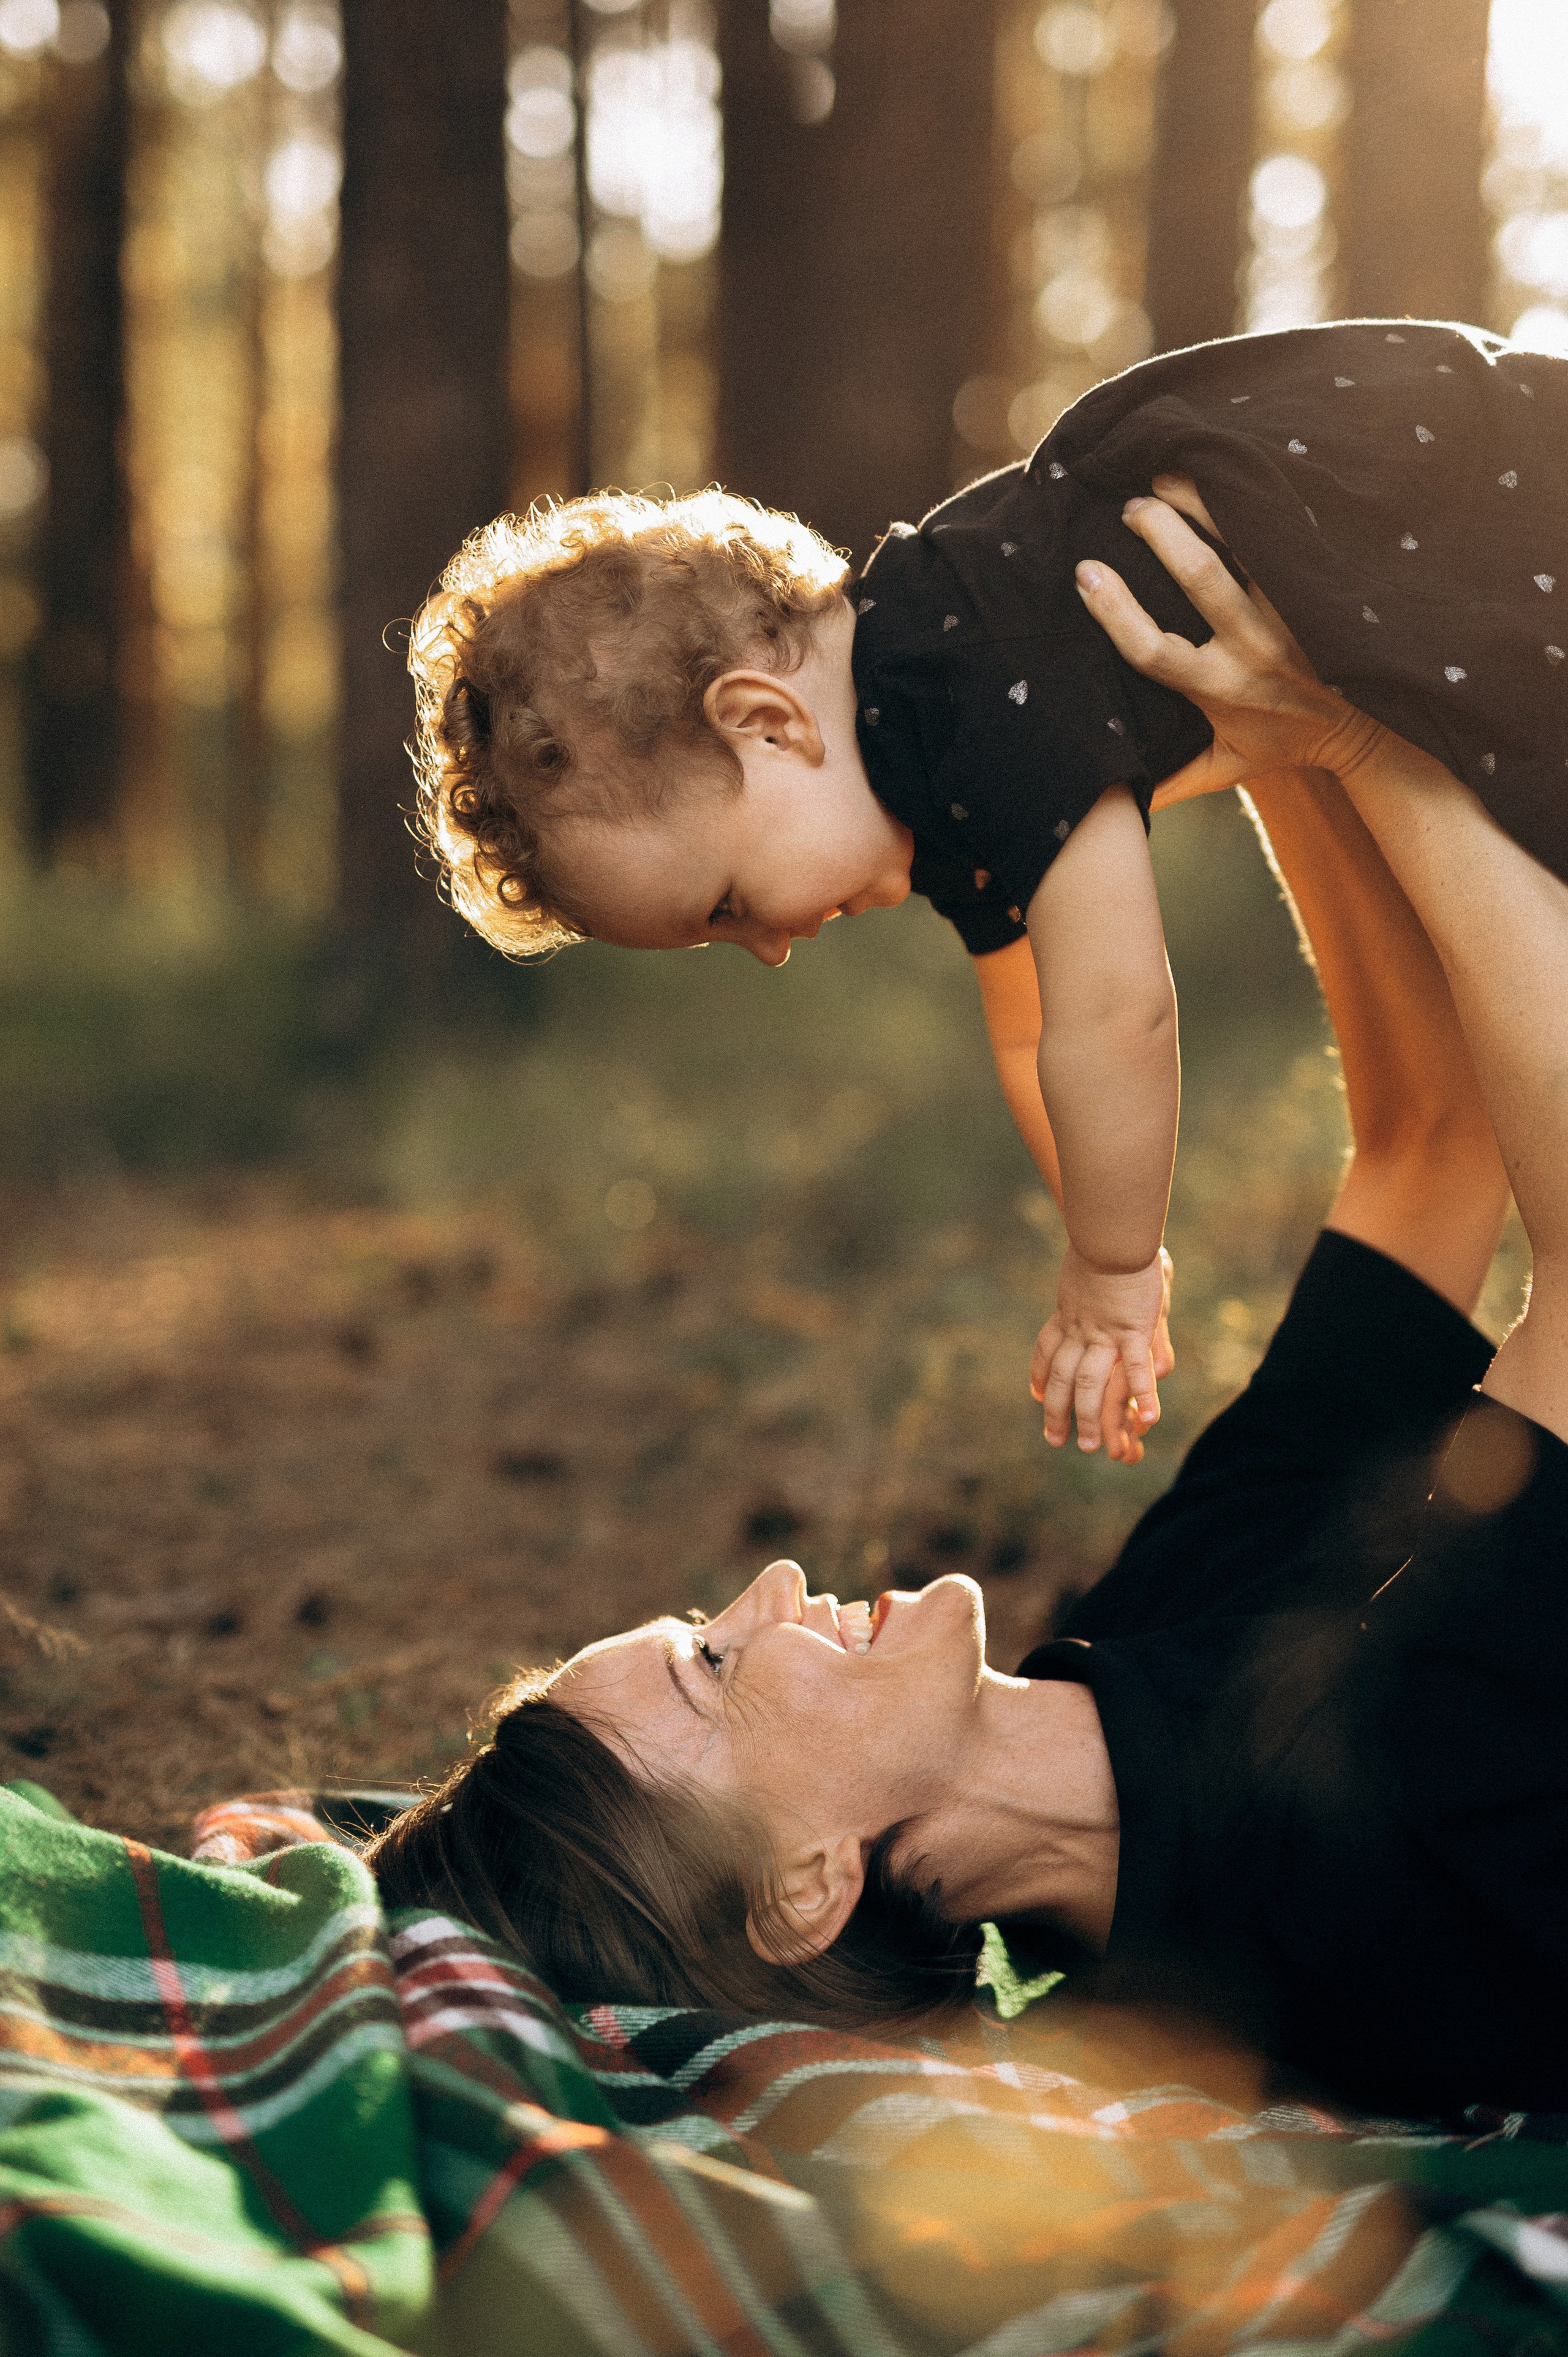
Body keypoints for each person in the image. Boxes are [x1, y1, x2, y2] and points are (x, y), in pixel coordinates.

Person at [373, 499, 1568, 2118]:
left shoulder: (1151, 1640)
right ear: (804, 1888)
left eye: (705, 1622)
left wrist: (1246, 709)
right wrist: (1366, 729)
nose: (777, 1583)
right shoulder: (1340, 1888)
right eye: (721, 1669)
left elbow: (1431, 1154)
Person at [405, 320, 1568, 1463]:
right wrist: (1098, 1231)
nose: (768, 947)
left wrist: (1113, 1275)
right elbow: (1034, 1035)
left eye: (728, 907)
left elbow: (1116, 1011)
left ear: (765, 723)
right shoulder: (925, 767)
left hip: (1489, 498)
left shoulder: (975, 690)